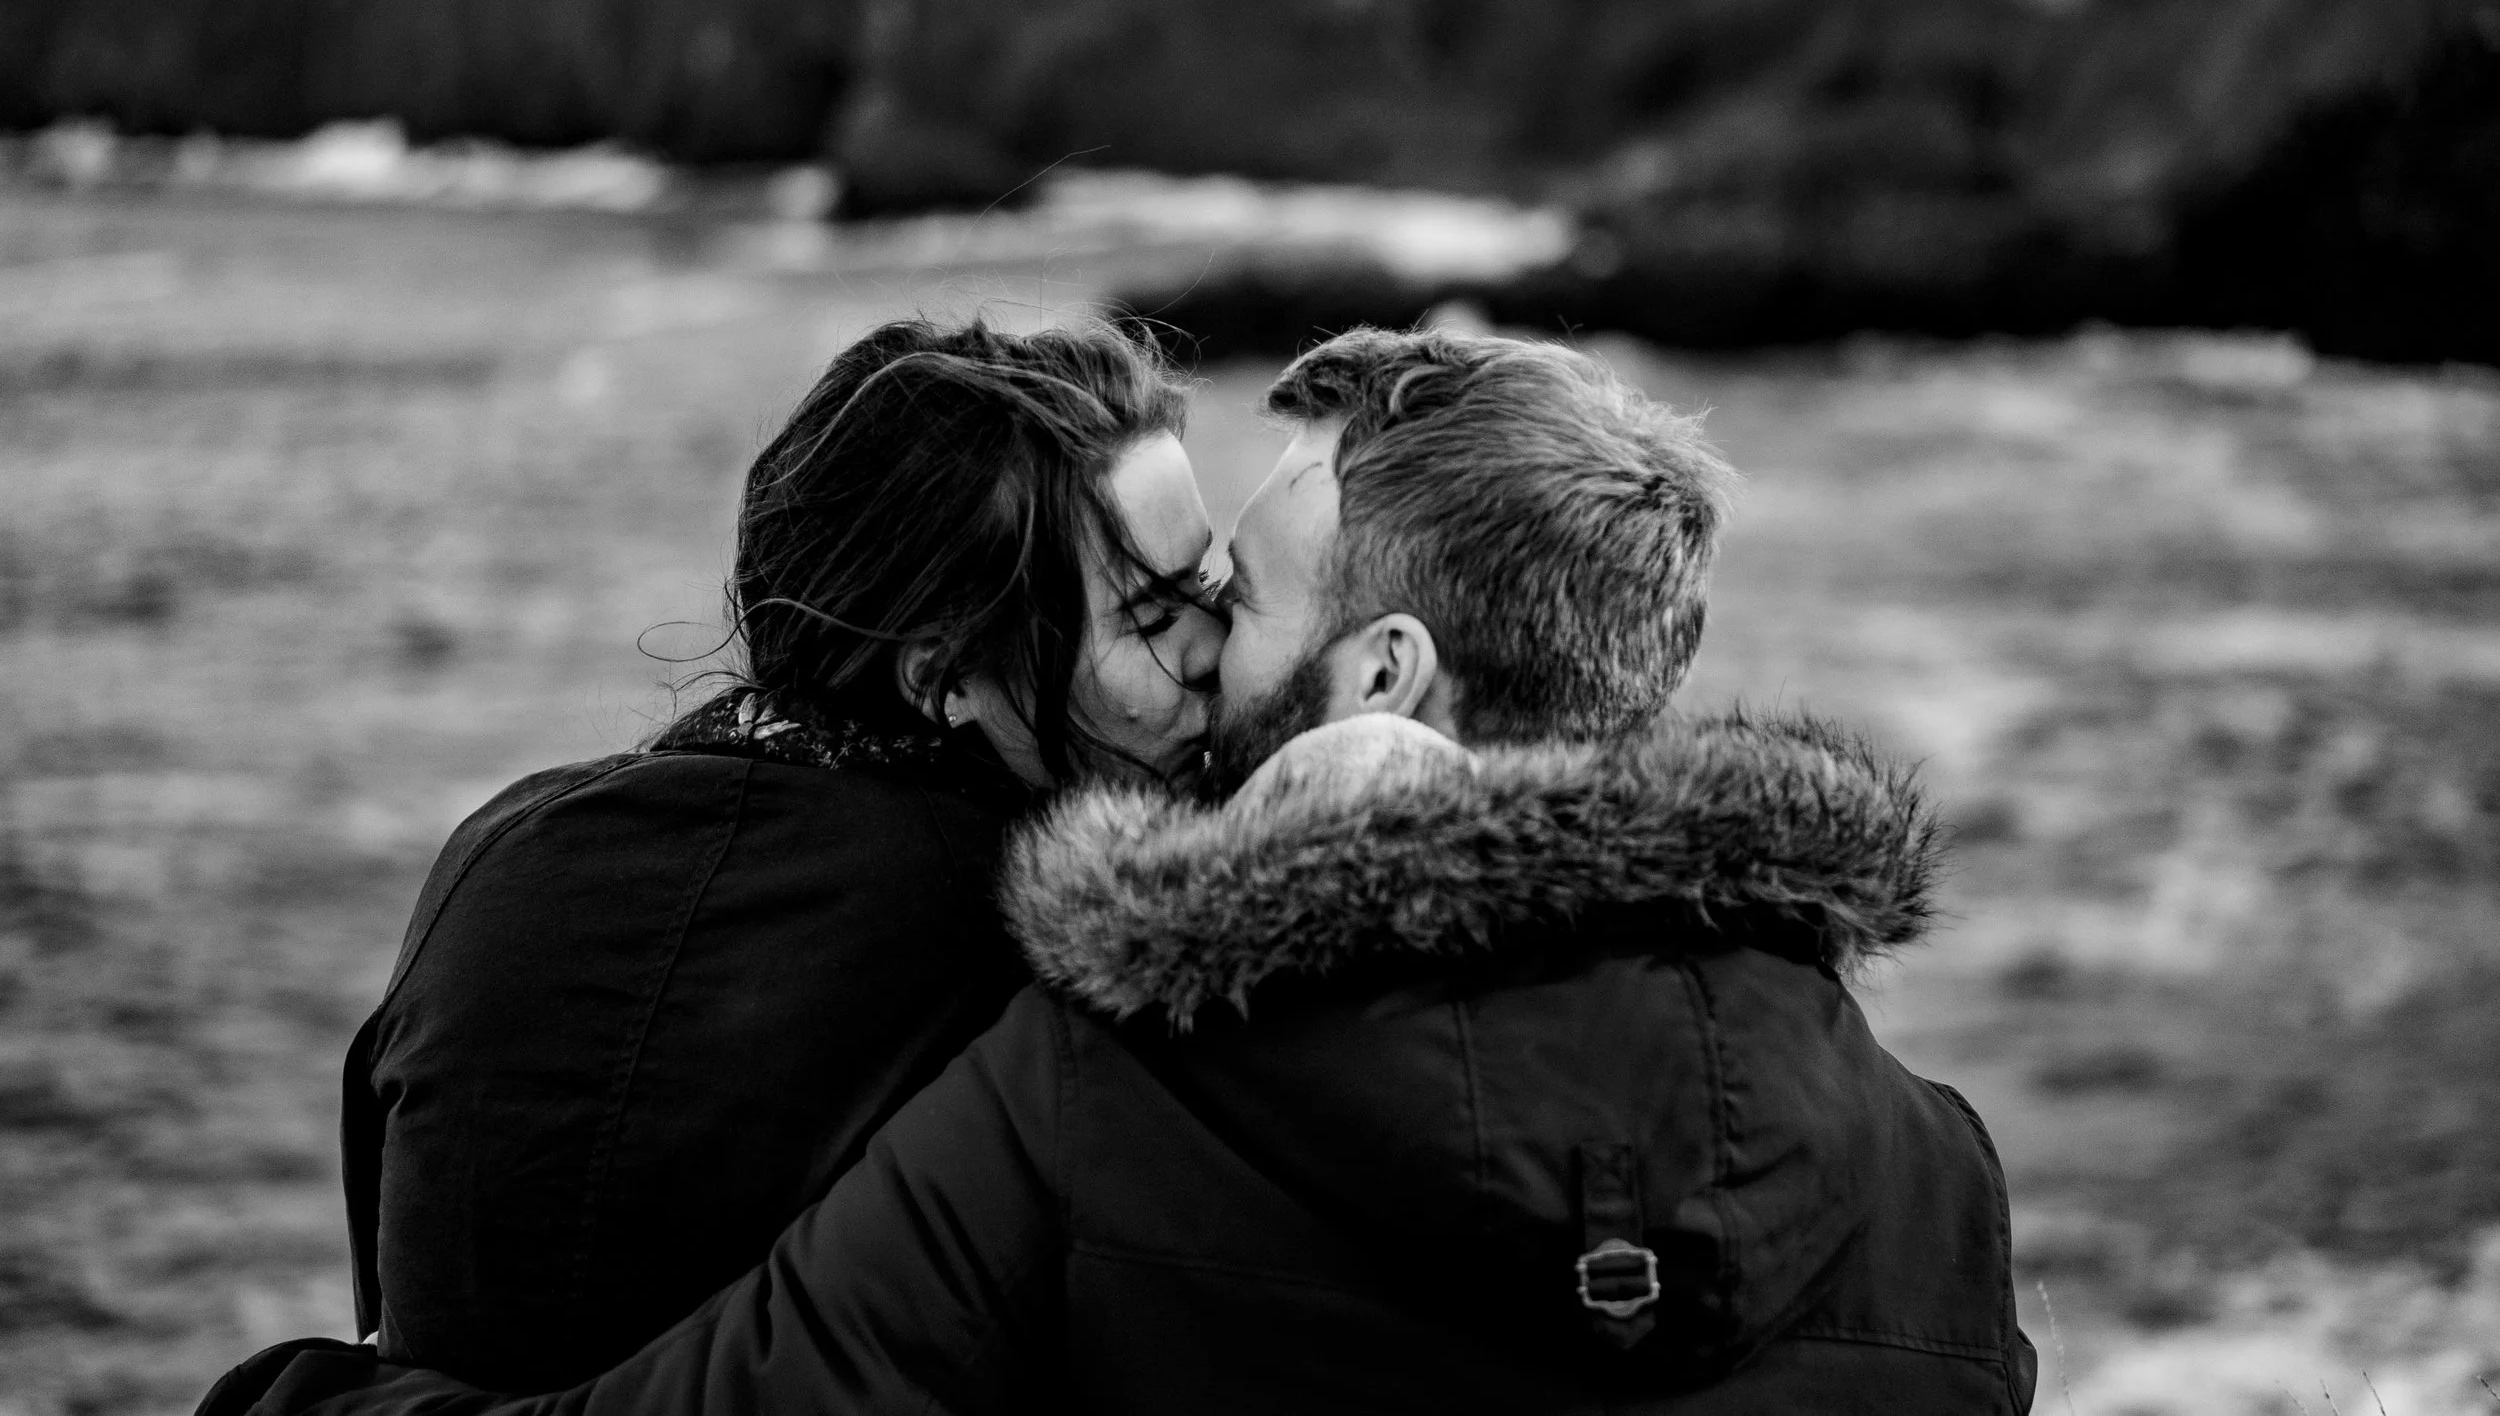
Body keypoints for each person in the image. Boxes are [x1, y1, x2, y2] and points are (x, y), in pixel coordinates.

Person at [219, 326, 2035, 1415]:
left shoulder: (1122, 1082)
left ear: (1384, 676)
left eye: (1222, 607)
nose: (1191, 664)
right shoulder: (1938, 1173)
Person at [331, 318, 1225, 1391]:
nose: (1214, 647)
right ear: (945, 675)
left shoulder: (497, 854)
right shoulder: (1037, 947)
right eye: (1154, 613)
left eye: (1214, 588)